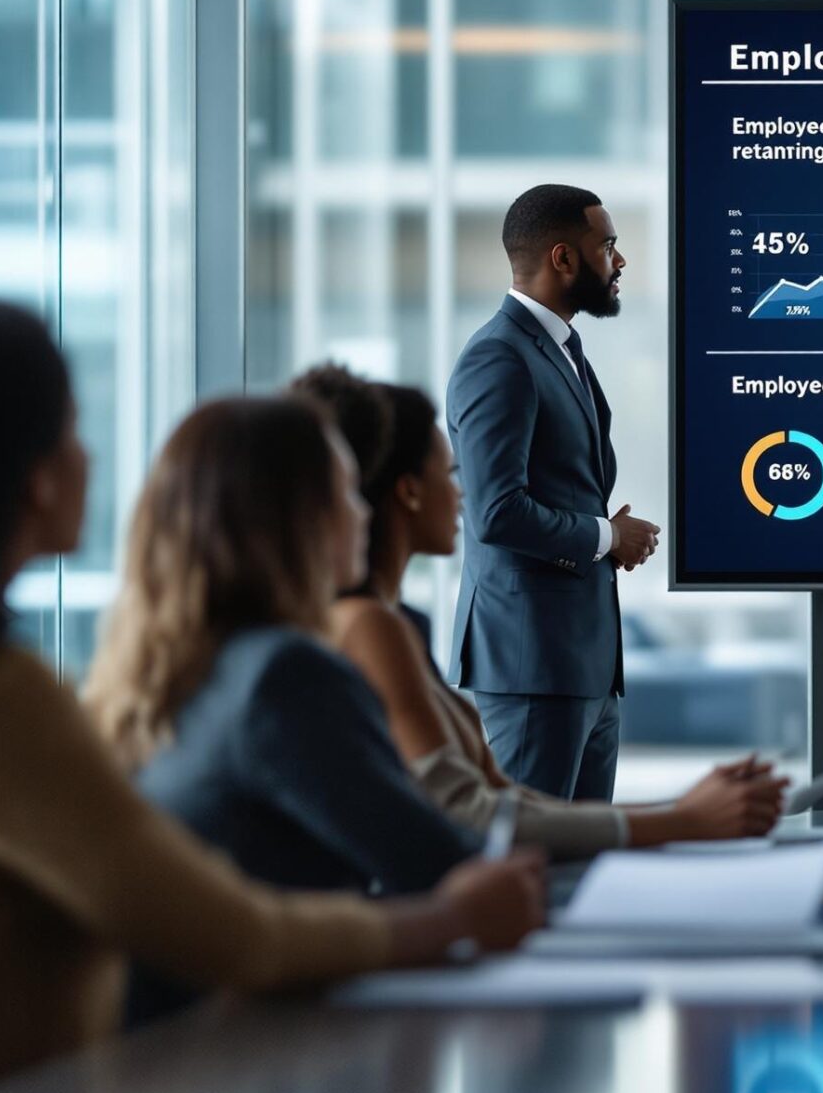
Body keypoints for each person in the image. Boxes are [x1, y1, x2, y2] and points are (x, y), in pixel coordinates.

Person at [0, 301, 542, 1093]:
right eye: (72, 428)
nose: (90, 456)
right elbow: (238, 938)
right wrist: (448, 918)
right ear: (32, 474)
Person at [80, 395, 545, 1022]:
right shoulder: (285, 675)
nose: (363, 512)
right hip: (229, 1050)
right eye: (348, 492)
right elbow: (437, 863)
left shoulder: (178, 672)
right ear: (297, 520)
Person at [291, 365, 787, 855]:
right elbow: (474, 816)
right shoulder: (370, 628)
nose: (463, 491)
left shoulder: (394, 625)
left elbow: (508, 801)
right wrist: (685, 819)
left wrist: (691, 809)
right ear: (409, 491)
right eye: (451, 472)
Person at [449, 184, 655, 801]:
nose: (619, 261)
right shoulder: (499, 358)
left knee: (584, 852)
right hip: (532, 664)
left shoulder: (561, 349)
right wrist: (606, 536)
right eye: (608, 246)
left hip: (584, 667)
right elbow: (495, 511)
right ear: (563, 258)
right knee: (532, 847)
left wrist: (605, 536)